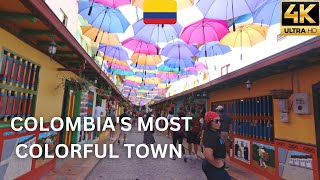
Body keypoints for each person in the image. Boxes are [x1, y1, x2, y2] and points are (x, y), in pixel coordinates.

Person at [202, 111, 231, 180]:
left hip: (213, 165)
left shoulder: (215, 132)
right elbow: (207, 154)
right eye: (216, 121)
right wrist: (216, 164)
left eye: (220, 121)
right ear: (209, 123)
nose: (219, 123)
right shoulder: (211, 135)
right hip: (213, 166)